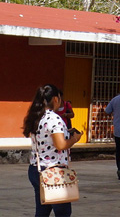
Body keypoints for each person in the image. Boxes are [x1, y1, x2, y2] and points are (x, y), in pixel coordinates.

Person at [24, 84, 82, 217]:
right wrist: (75, 139)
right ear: (56, 99)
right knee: (63, 213)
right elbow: (61, 145)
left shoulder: (37, 117)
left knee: (42, 211)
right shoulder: (54, 119)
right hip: (53, 172)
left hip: (37, 169)